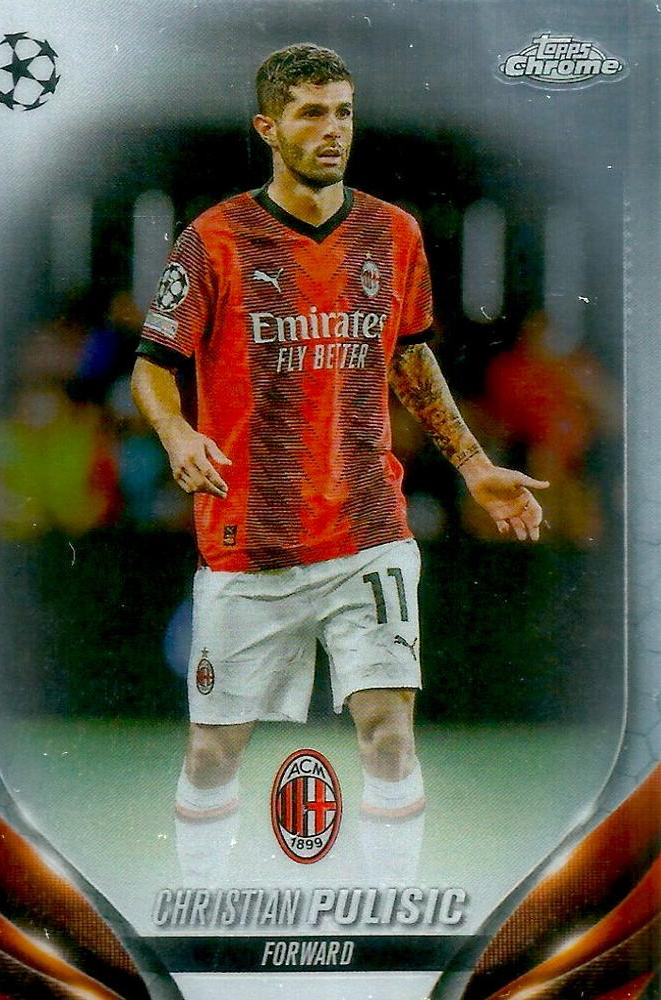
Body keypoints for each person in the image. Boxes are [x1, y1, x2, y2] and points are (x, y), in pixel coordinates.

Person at [131, 43, 549, 884]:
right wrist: (177, 435)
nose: (334, 130)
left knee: (389, 734)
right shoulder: (215, 238)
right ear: (268, 128)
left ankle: (392, 905)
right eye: (312, 113)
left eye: (344, 112)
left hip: (368, 529)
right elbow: (152, 365)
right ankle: (203, 905)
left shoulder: (394, 234)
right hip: (250, 537)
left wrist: (474, 466)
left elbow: (410, 357)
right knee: (212, 753)